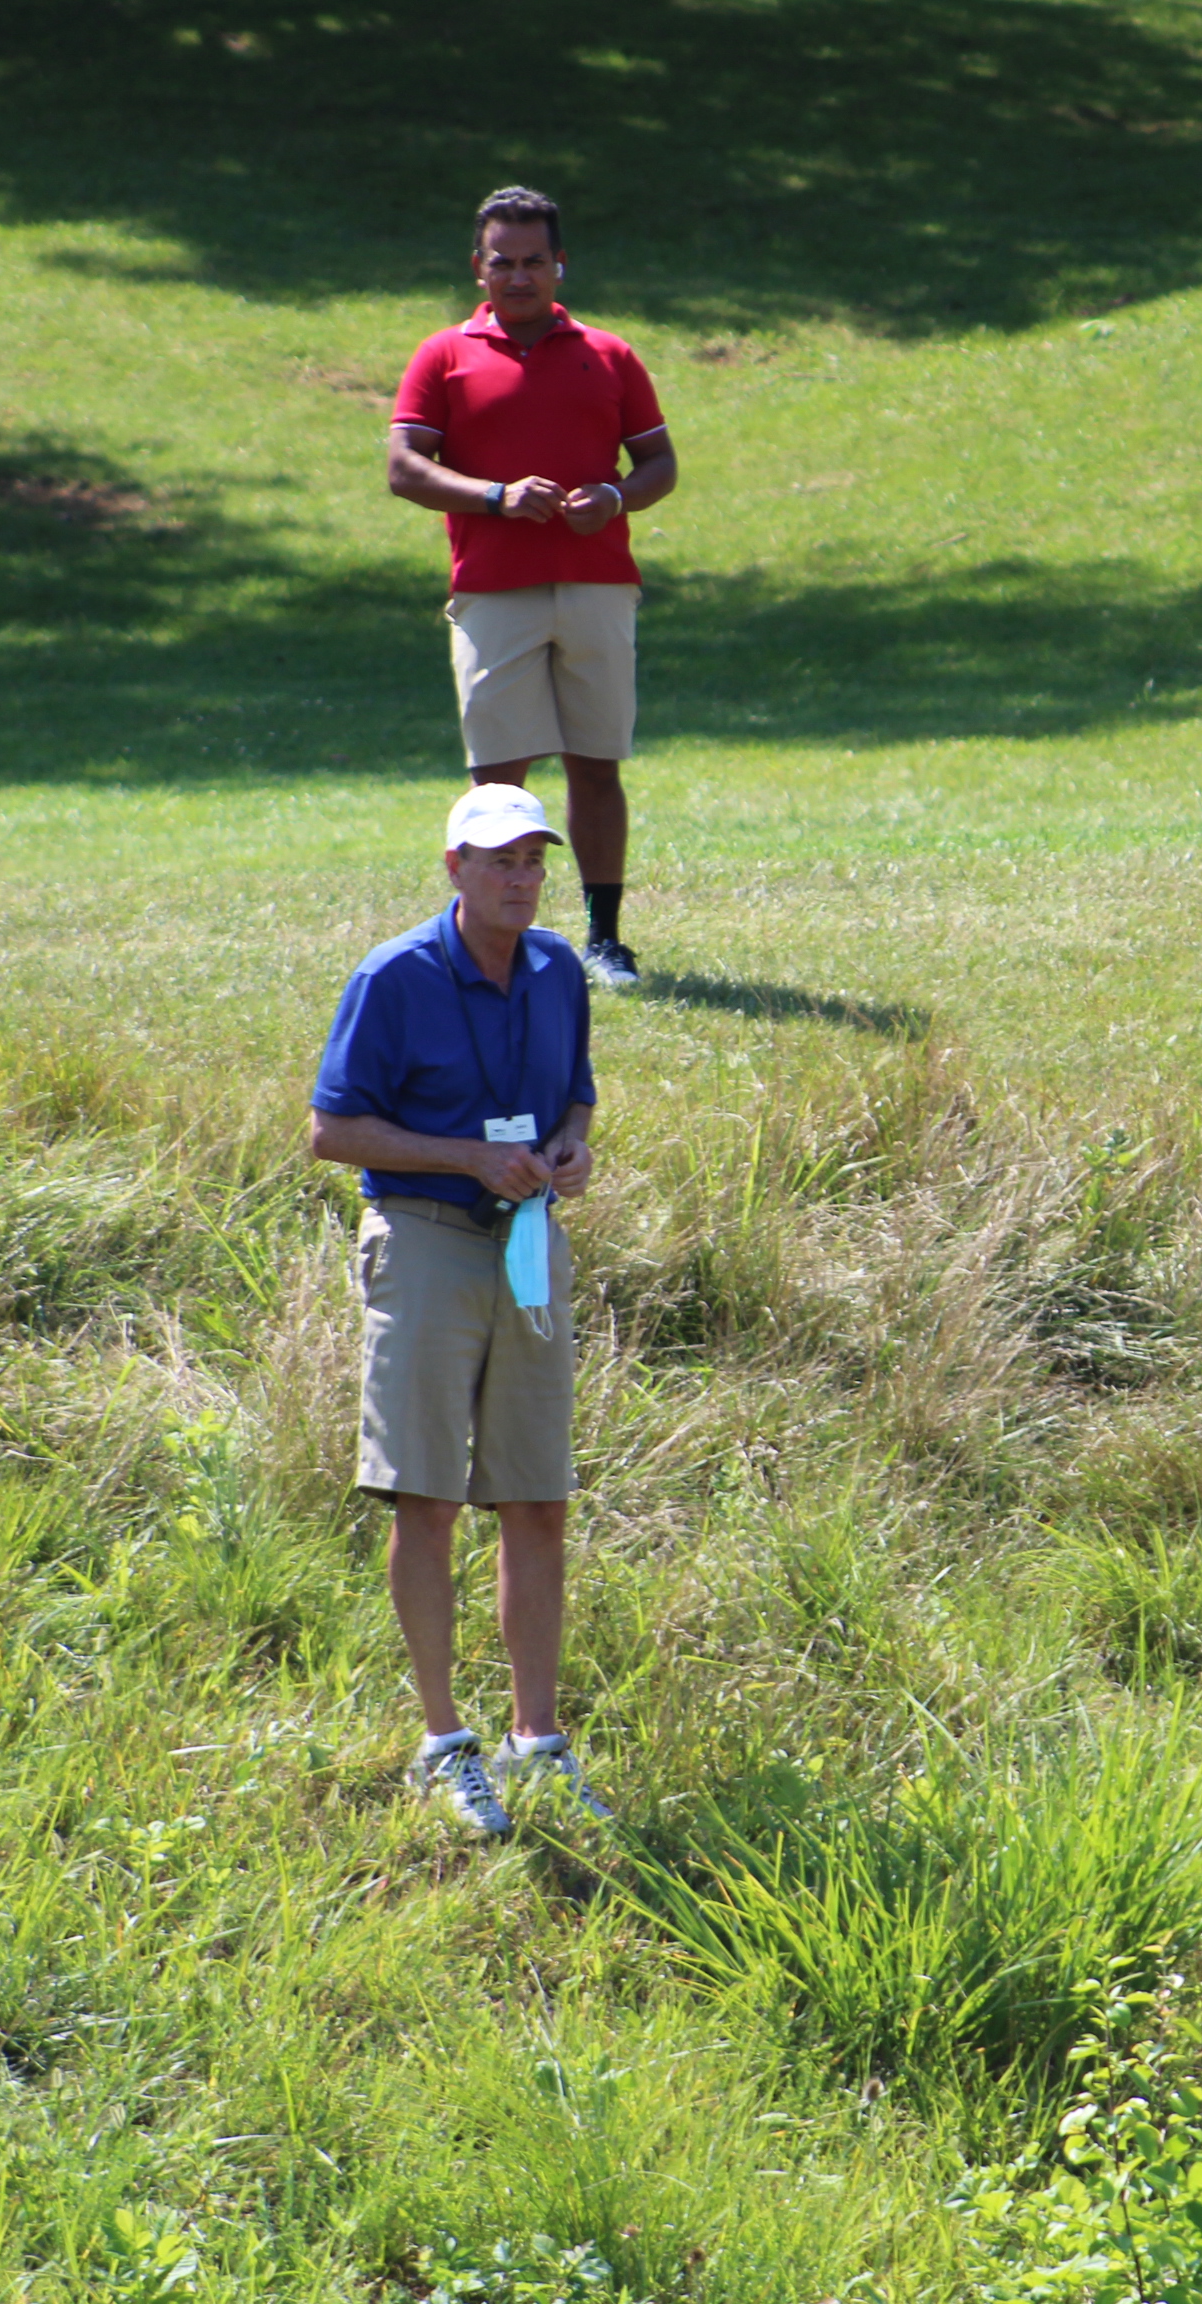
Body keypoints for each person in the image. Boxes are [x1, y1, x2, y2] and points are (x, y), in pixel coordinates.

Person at [308, 784, 611, 1837]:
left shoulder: (558, 967)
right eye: (499, 863)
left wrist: (569, 1148)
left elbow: (576, 1092)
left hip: (529, 1243)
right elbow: (333, 1131)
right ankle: (445, 1744)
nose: (520, 880)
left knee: (538, 1496)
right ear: (454, 870)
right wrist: (465, 1156)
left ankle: (538, 1743)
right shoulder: (394, 978)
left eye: (534, 862)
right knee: (425, 1497)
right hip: (428, 1240)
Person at [389, 184, 678, 990]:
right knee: (498, 779)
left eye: (534, 261)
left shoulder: (610, 354)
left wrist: (616, 497)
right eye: (502, 262)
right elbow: (404, 468)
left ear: (560, 265)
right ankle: (492, 948)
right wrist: (495, 497)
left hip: (597, 583)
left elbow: (660, 463)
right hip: (493, 589)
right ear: (478, 268)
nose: (519, 277)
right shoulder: (444, 355)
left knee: (596, 764)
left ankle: (605, 941)